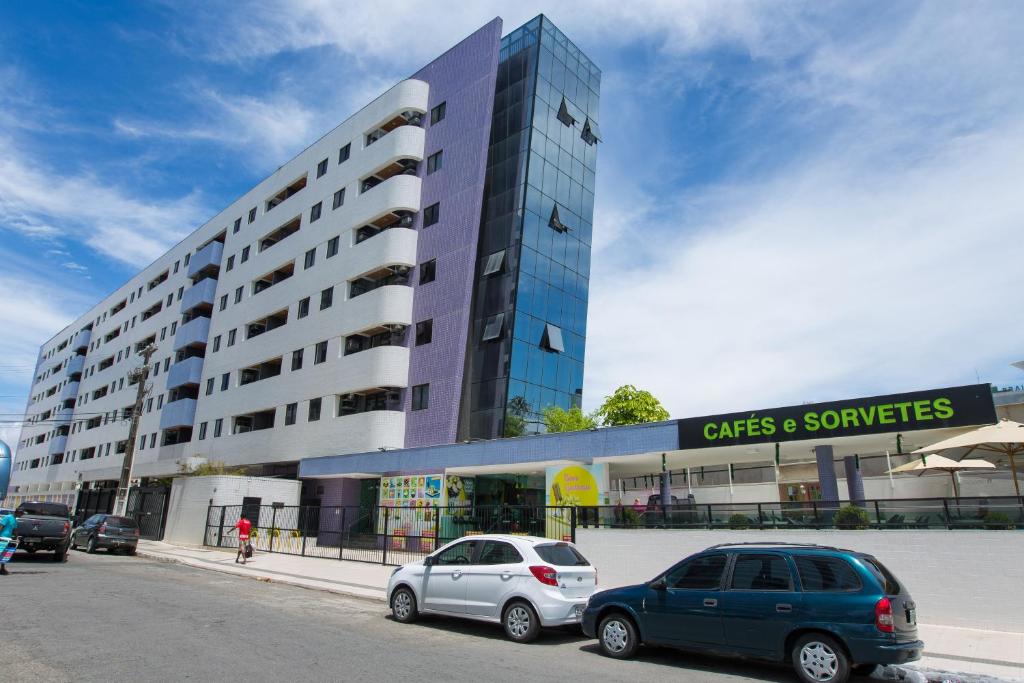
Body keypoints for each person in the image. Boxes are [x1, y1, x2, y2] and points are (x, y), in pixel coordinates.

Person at [0, 508, 21, 576]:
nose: (22, 515)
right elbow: (1, 526)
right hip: (2, 537)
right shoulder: (8, 517)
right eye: (21, 513)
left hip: (8, 538)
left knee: (5, 554)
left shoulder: (14, 520)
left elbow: (15, 530)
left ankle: (2, 569)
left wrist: (16, 537)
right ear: (17, 512)